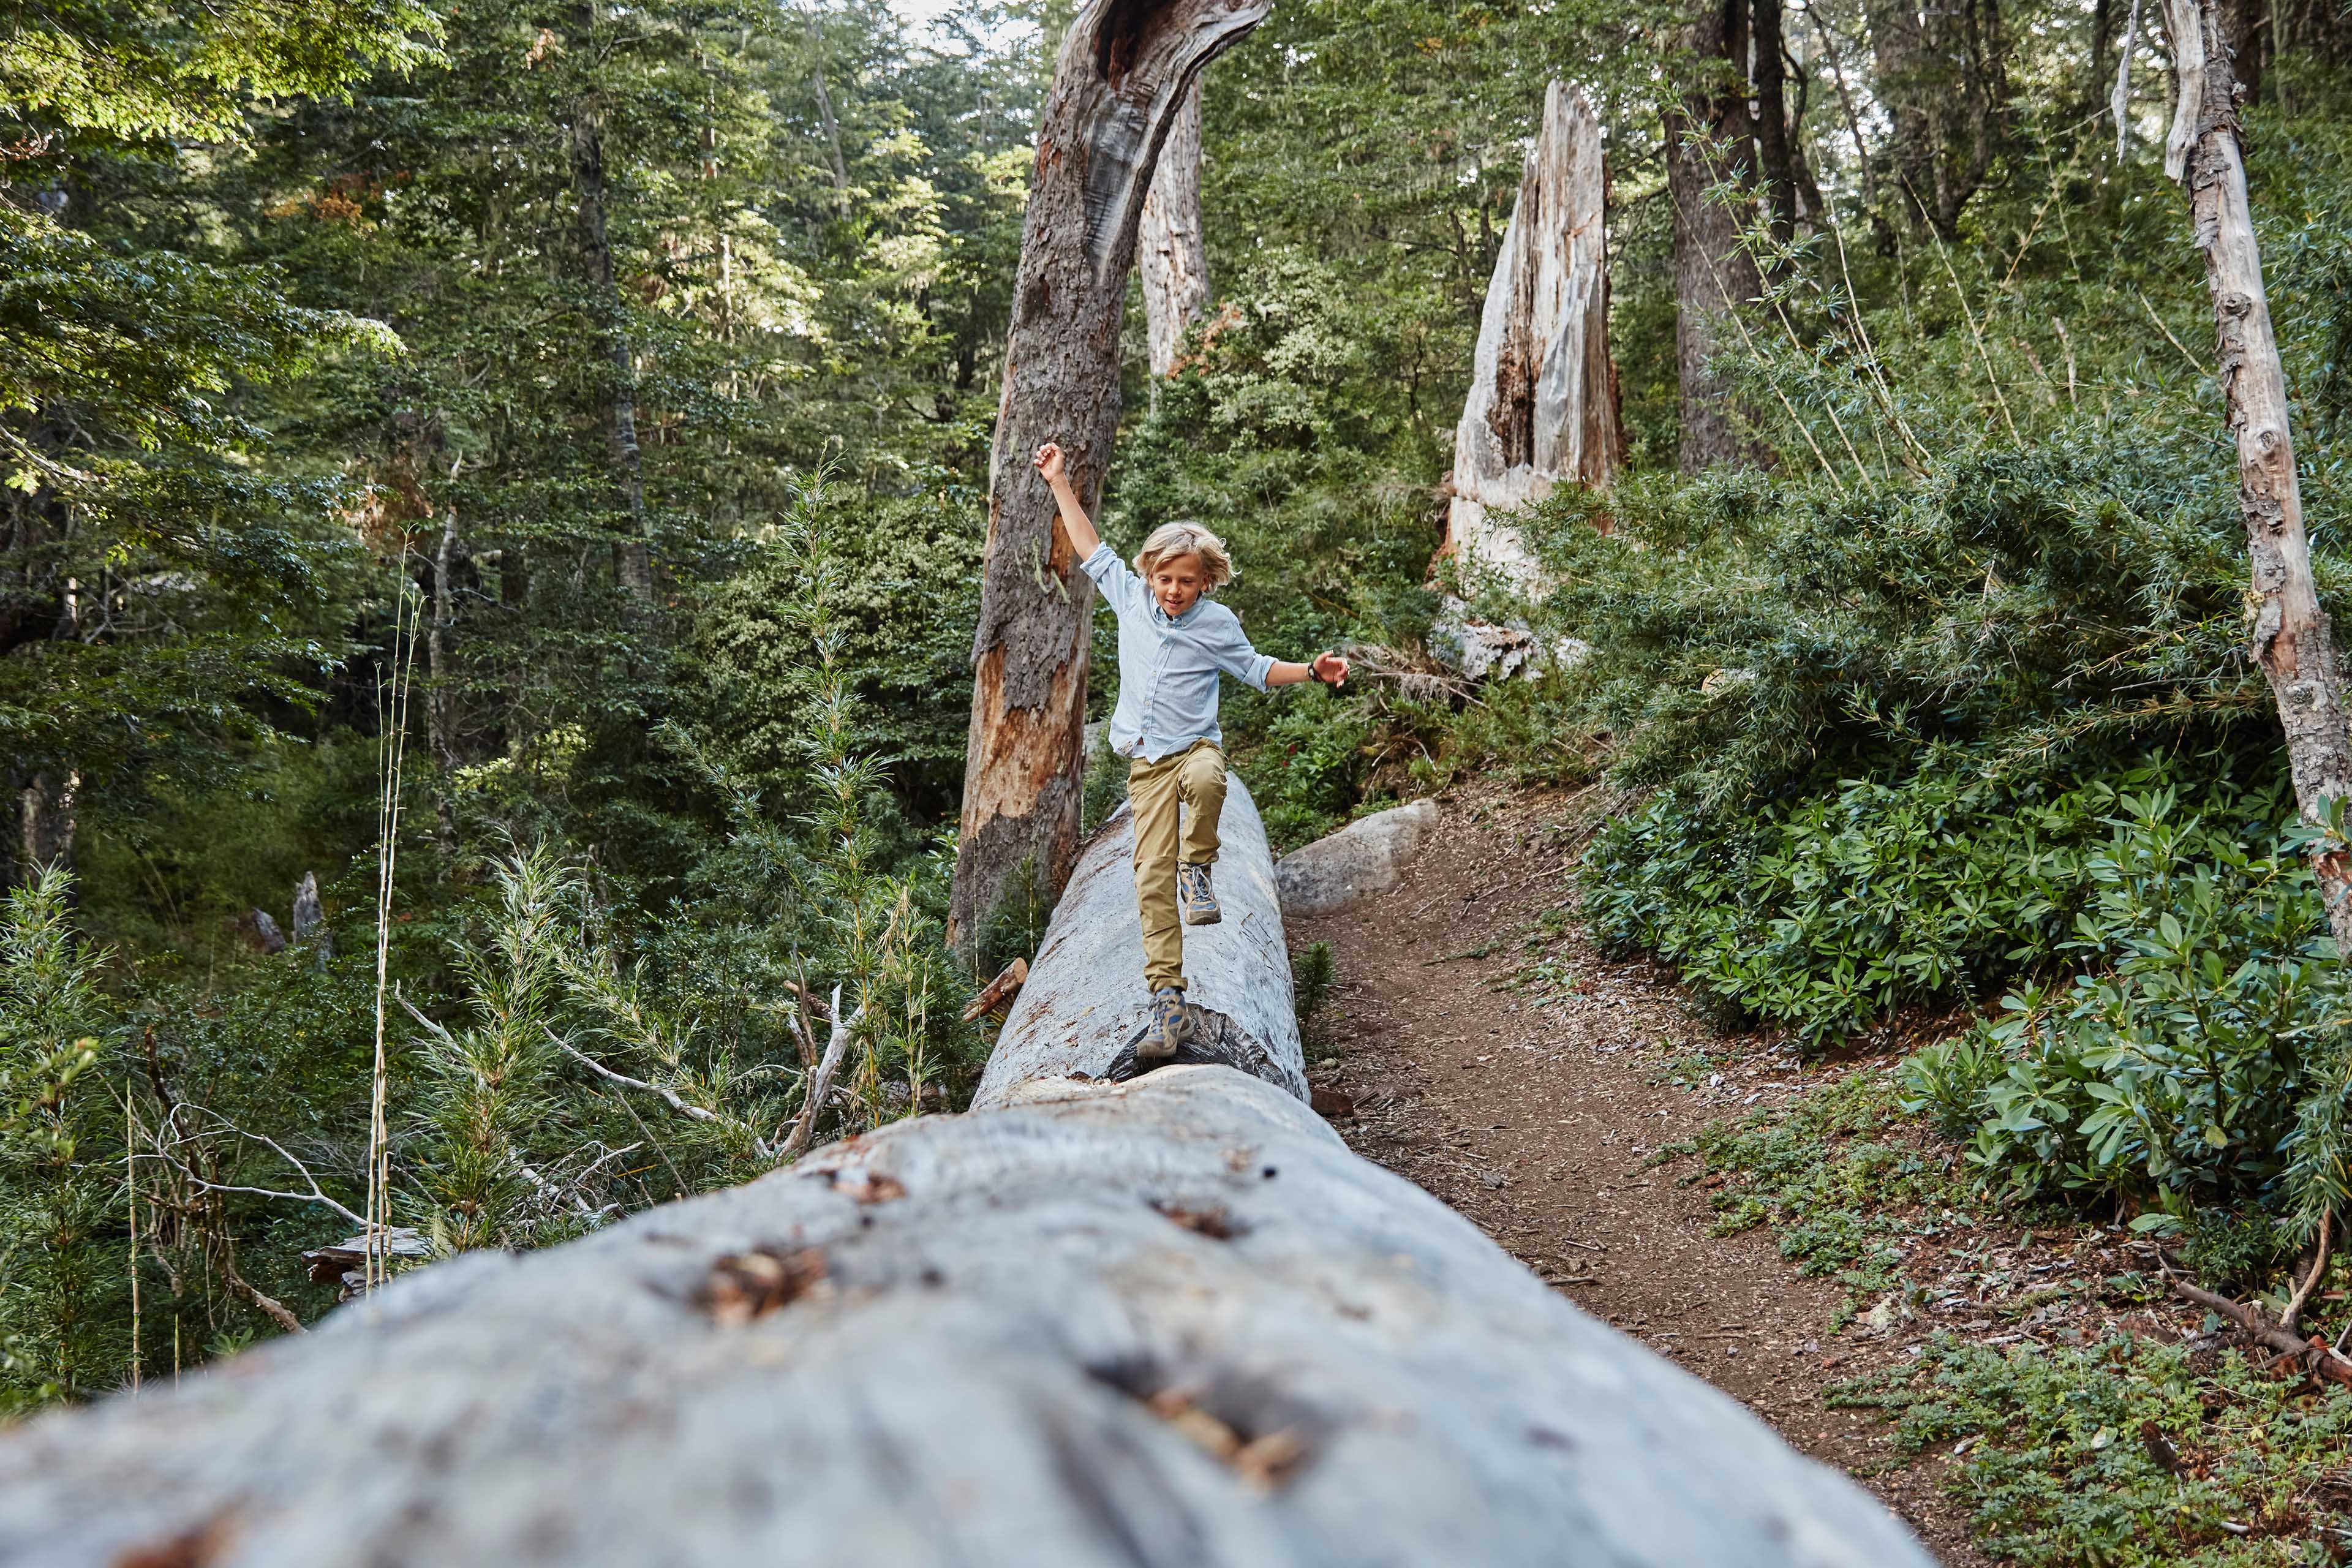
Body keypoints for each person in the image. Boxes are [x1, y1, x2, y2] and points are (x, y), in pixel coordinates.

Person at [1031, 441, 1349, 1061]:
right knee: (1149, 878)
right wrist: (1060, 483)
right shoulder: (1130, 597)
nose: (1173, 590)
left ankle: (1198, 868)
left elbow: (1257, 670)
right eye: (1165, 578)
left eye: (1186, 581)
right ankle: (1168, 1000)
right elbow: (1089, 544)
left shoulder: (1217, 624)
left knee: (1208, 781)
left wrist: (1312, 670)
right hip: (1146, 762)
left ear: (1206, 581)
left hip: (1196, 747)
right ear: (1150, 574)